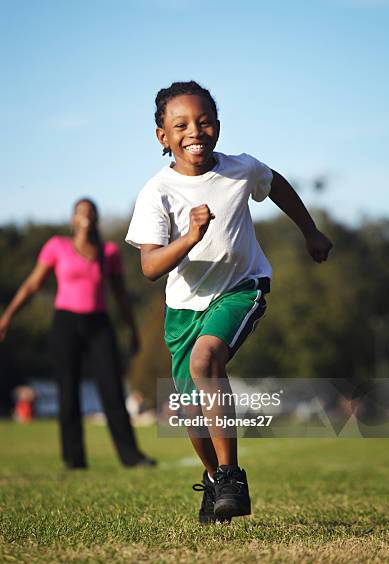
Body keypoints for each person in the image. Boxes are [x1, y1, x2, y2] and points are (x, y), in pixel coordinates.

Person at [125, 81, 332, 523]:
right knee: (187, 409)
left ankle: (233, 476)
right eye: (180, 125)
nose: (193, 131)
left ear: (217, 126)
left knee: (206, 362)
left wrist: (310, 231)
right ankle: (215, 479)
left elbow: (278, 187)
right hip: (183, 309)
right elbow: (149, 266)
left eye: (203, 121)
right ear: (163, 136)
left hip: (242, 288)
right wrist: (191, 237)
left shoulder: (241, 169)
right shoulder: (156, 192)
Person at [0, 198, 156, 469]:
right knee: (68, 391)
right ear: (73, 219)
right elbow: (33, 285)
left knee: (112, 390)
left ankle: (131, 457)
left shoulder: (108, 253)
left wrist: (132, 331)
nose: (86, 215)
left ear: (95, 218)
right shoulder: (57, 247)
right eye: (80, 211)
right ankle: (74, 460)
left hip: (99, 324)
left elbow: (120, 296)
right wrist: (7, 316)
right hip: (66, 324)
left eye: (91, 211)